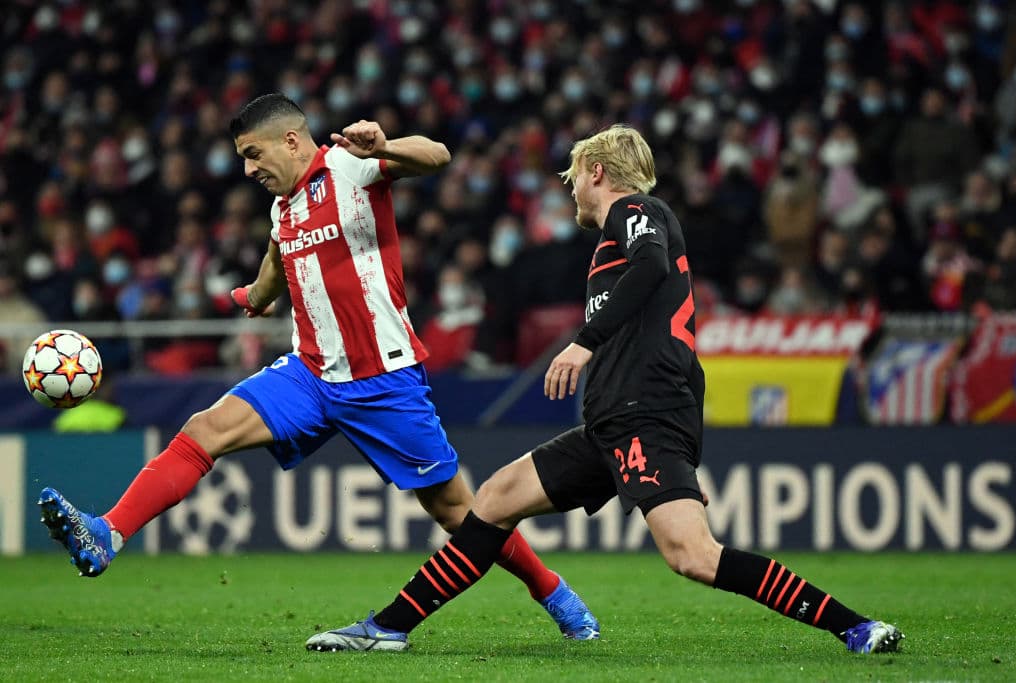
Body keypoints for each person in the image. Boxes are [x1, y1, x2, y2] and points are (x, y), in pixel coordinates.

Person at [305, 125, 904, 655]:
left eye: (574, 179)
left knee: (692, 556)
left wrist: (583, 342)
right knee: (494, 498)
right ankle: (390, 627)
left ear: (598, 171)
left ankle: (855, 626)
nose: (570, 191)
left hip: (648, 413)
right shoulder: (619, 233)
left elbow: (652, 268)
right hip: (613, 423)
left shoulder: (636, 209)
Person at [37, 94, 598, 642]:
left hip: (383, 378)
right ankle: (107, 533)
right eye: (241, 159)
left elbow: (438, 155)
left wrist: (388, 144)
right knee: (203, 431)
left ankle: (550, 590)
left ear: (290, 139)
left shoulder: (351, 166)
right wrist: (251, 297)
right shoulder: (282, 209)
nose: (247, 168)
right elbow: (277, 262)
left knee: (458, 512)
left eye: (253, 154)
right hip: (308, 373)